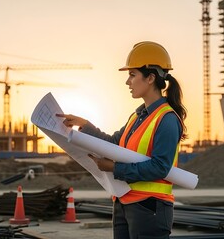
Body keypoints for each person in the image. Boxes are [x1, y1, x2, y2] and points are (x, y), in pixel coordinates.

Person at [57, 41, 187, 239]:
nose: (128, 81)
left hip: (149, 208)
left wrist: (114, 168)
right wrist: (84, 125)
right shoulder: (137, 117)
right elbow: (113, 143)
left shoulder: (166, 119)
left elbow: (160, 167)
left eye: (132, 75)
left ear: (150, 77)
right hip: (124, 203)